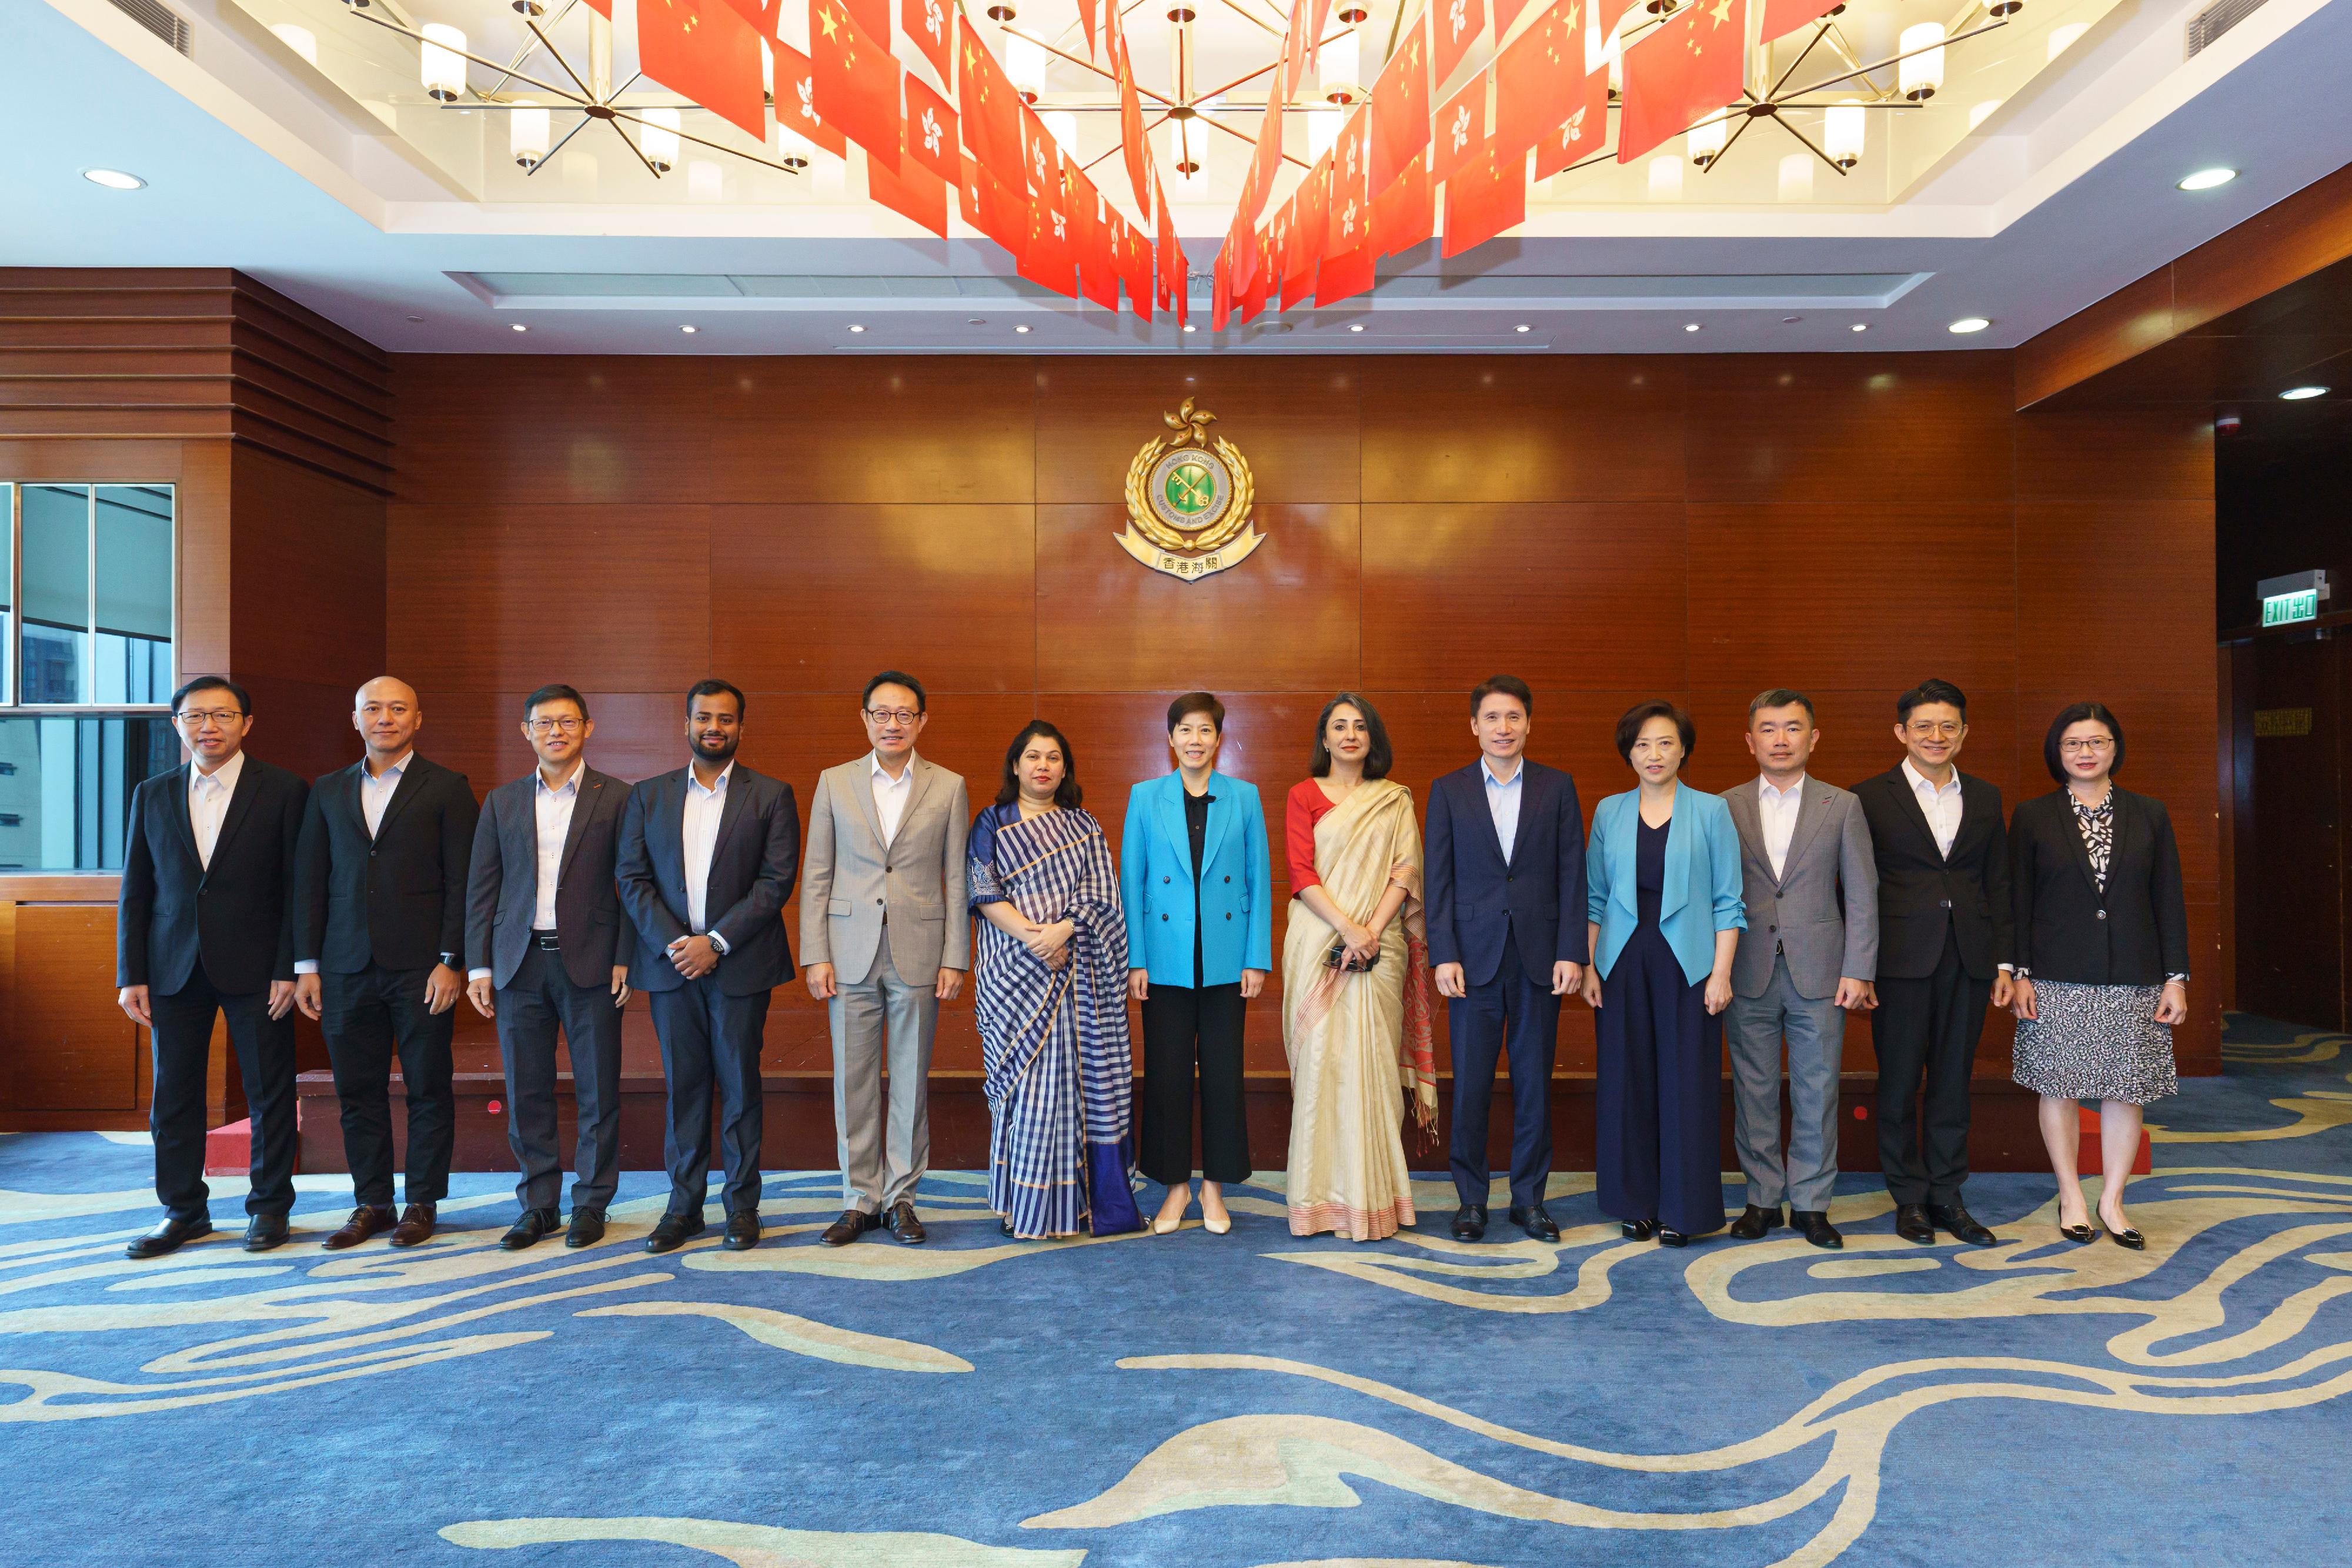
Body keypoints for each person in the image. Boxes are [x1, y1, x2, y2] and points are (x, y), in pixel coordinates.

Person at [115, 677, 309, 1258]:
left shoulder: (283, 790)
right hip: (172, 967)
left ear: (246, 723)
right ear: (177, 725)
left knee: (268, 1092)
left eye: (223, 716)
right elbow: (136, 890)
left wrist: (289, 967)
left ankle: (269, 1207)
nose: (209, 727)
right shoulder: (152, 793)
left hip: (259, 968)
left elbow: (298, 887)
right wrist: (132, 973)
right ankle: (182, 1210)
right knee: (174, 1094)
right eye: (196, 716)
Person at [293, 677, 479, 1250]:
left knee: (428, 1085)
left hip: (422, 968)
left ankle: (422, 1202)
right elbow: (309, 882)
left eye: (398, 709)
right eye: (373, 708)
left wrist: (453, 961)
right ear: (355, 719)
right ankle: (372, 1201)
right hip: (345, 966)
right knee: (358, 1089)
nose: (385, 718)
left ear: (418, 719)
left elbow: (464, 882)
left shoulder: (447, 787)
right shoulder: (326, 790)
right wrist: (307, 965)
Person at [617, 680, 799, 1255]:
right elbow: (631, 878)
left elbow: (776, 882)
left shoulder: (771, 795)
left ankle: (742, 1209)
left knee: (741, 1088)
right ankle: (683, 1208)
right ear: (687, 724)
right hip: (671, 968)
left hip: (740, 966)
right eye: (703, 718)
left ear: (741, 728)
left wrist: (714, 941)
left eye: (725, 719)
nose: (713, 727)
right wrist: (678, 942)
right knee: (685, 1089)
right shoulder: (648, 796)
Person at [2009, 703, 2190, 1250]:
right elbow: (2017, 901)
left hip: (2134, 974)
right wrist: (2019, 972)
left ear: (2115, 748)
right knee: (2059, 1088)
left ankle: (2113, 1199)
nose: (2086, 752)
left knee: (2124, 1089)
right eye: (2073, 743)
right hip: (2056, 976)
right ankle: (2071, 1195)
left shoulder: (2150, 813)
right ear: (2057, 752)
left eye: (2097, 741)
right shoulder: (2034, 816)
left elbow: (2169, 900)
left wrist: (2175, 977)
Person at [800, 671, 970, 1248]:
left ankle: (900, 1199)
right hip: (847, 954)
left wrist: (954, 958)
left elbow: (955, 878)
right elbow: (817, 872)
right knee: (853, 1081)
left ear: (922, 720)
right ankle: (858, 1200)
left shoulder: (948, 786)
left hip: (918, 952)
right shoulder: (835, 782)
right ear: (865, 719)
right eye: (881, 713)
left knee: (909, 1083)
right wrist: (815, 953)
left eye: (904, 714)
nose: (892, 723)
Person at [464, 685, 634, 1252]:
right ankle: (538, 1205)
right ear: (526, 731)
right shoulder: (502, 800)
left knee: (597, 1089)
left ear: (588, 728)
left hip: (590, 960)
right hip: (518, 962)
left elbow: (634, 885)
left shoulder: (619, 798)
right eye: (544, 723)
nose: (555, 732)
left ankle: (591, 1203)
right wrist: (478, 966)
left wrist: (625, 955)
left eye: (567, 722)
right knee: (527, 1089)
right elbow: (481, 889)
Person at [1853, 678, 2014, 1248]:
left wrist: (2004, 963)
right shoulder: (1867, 798)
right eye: (1923, 726)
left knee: (1952, 1082)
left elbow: (1998, 882)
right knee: (1897, 1084)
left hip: (1968, 958)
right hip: (1897, 961)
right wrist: (1859, 965)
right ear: (1901, 732)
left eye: (1948, 726)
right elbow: (1854, 888)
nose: (1936, 736)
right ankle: (1909, 1199)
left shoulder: (1987, 796)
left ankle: (1948, 1194)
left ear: (1964, 733)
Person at [1425, 674, 1586, 1244]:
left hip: (1541, 960)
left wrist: (1574, 950)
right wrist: (1442, 953)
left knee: (1533, 1084)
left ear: (1528, 724)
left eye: (1513, 716)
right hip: (1470, 963)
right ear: (1474, 725)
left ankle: (1529, 1200)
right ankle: (1471, 1200)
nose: (1502, 727)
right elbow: (1437, 880)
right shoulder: (1448, 790)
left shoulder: (1556, 787)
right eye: (1491, 717)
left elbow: (1573, 875)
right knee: (1469, 1087)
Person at [968, 722, 1142, 1240]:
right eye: (1032, 756)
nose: (1042, 765)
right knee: (1022, 1091)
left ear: (1065, 768)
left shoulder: (1084, 827)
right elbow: (982, 889)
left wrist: (1065, 929)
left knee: (1072, 1091)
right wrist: (1035, 937)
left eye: (1052, 757)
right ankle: (1022, 1203)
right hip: (1012, 973)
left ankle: (1078, 1203)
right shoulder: (992, 822)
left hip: (1076, 976)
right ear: (1016, 766)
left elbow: (1103, 900)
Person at [1581, 702, 1745, 1246]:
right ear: (1628, 752)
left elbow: (1729, 901)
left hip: (1691, 963)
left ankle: (1685, 1208)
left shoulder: (1712, 811)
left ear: (1684, 749)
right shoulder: (1609, 811)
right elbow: (1595, 898)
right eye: (1643, 744)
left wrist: (1721, 974)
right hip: (1622, 961)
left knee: (1688, 1085)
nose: (1654, 754)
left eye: (1666, 743)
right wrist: (1590, 965)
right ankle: (1636, 1202)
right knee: (1627, 1083)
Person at [1723, 690, 1879, 1251]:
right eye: (1769, 729)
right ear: (1751, 741)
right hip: (1746, 969)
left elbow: (1863, 891)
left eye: (1793, 729)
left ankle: (1812, 1204)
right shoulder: (1726, 805)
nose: (1781, 740)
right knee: (1754, 1088)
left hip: (1822, 971)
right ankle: (1762, 1198)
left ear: (1814, 738)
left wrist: (1860, 968)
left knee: (1816, 1091)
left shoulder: (1842, 805)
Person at [1281, 694, 1436, 1242]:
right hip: (1321, 940)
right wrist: (1349, 929)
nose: (1350, 735)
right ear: (1324, 738)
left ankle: (1375, 1200)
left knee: (1372, 1066)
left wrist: (1371, 931)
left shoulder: (1393, 800)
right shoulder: (1303, 796)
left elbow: (1406, 869)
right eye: (1339, 726)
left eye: (1360, 726)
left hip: (1380, 946)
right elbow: (1300, 871)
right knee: (1323, 1065)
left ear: (1373, 739)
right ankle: (1318, 1200)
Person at [1120, 692, 1272, 1236]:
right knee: (1165, 1076)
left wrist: (1257, 957)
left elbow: (1259, 879)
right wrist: (1135, 959)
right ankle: (1175, 1188)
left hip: (1228, 960)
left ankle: (1215, 1188)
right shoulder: (1144, 797)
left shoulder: (1245, 797)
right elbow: (1131, 883)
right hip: (1163, 961)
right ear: (1170, 739)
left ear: (1218, 738)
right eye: (1184, 729)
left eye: (1205, 730)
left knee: (1225, 1076)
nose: (1194, 740)